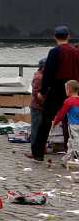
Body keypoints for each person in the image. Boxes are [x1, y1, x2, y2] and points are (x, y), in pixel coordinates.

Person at [30, 26, 79, 161]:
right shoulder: (76, 52)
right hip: (73, 89)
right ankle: (73, 152)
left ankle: (38, 153)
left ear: (55, 37)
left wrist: (43, 91)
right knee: (72, 122)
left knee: (46, 121)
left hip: (57, 89)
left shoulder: (54, 52)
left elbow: (48, 73)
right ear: (68, 36)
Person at [51, 80, 79, 163]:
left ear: (69, 89)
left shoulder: (68, 101)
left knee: (74, 142)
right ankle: (67, 159)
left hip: (73, 125)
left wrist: (55, 122)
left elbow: (61, 114)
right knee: (71, 141)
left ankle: (75, 158)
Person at [30, 58, 46, 143]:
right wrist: (41, 104)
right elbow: (35, 93)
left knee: (41, 128)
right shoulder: (39, 77)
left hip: (40, 105)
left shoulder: (42, 76)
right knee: (36, 128)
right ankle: (35, 148)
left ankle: (41, 147)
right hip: (37, 106)